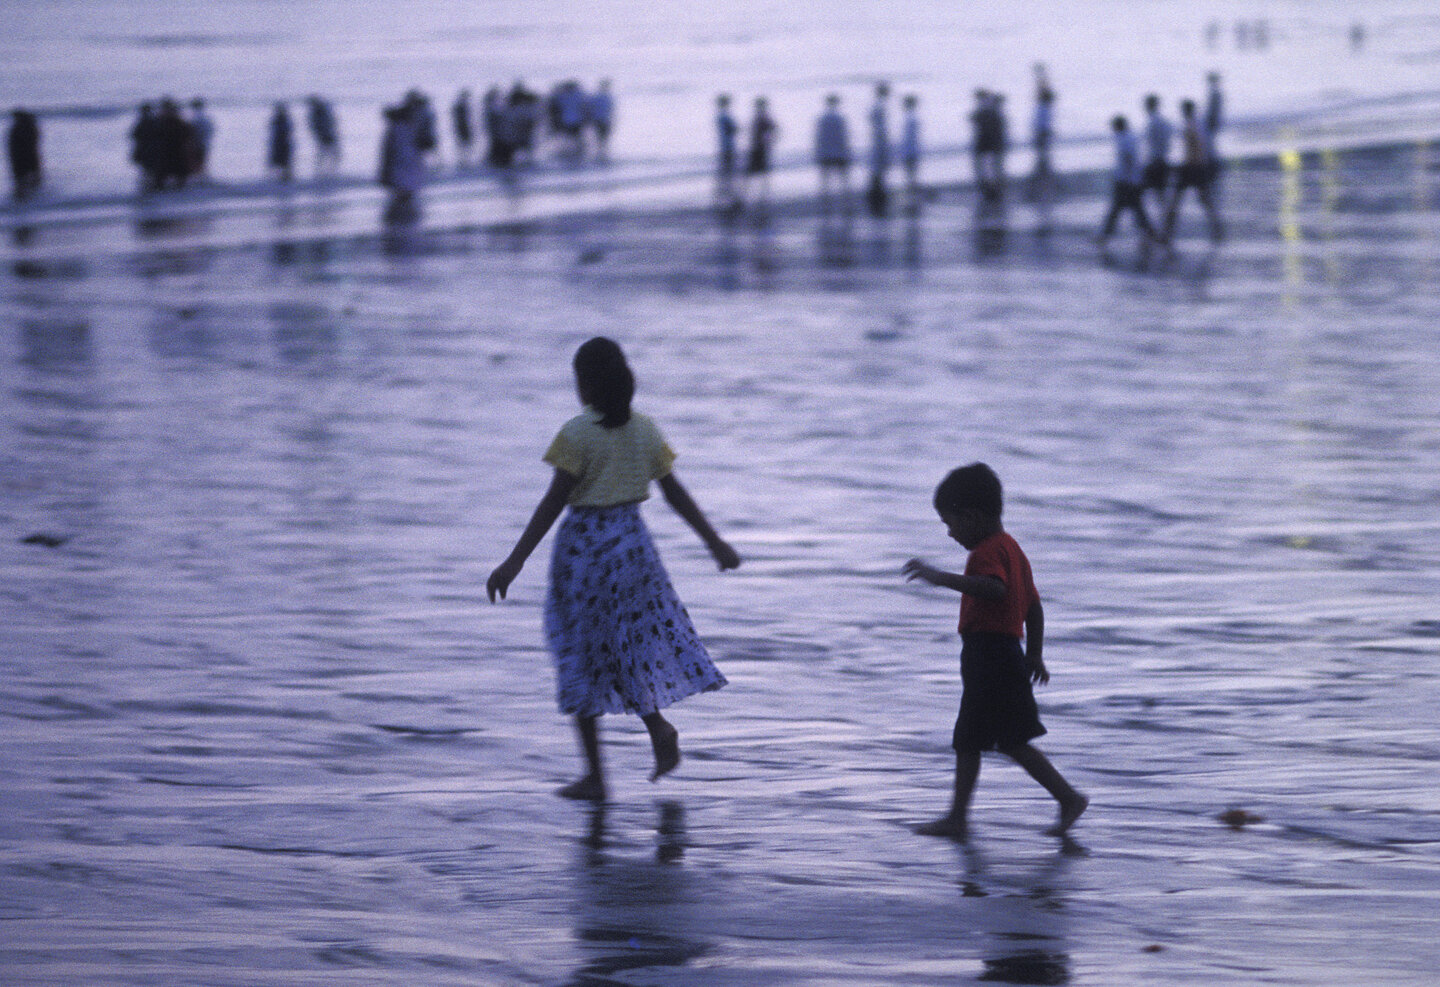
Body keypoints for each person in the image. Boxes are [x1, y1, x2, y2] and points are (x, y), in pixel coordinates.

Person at [487, 337, 740, 801]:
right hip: (634, 551)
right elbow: (675, 494)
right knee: (624, 649)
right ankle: (657, 727)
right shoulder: (644, 430)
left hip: (586, 553)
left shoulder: (577, 434)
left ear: (584, 384)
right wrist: (714, 541)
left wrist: (513, 561)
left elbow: (552, 503)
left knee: (579, 653)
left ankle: (596, 776)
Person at [902, 463, 1088, 839]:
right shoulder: (1014, 550)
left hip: (991, 656)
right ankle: (959, 816)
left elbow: (994, 590)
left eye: (949, 523)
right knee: (972, 738)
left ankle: (1067, 798)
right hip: (1003, 654)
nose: (950, 533)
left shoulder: (987, 552)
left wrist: (938, 577)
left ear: (970, 516)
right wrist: (1034, 654)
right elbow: (1033, 607)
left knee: (1007, 741)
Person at [1163, 99, 1223, 243]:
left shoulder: (1191, 126)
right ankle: (1217, 230)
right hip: (1197, 168)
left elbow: (1193, 150)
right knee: (1204, 201)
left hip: (1191, 168)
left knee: (1176, 202)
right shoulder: (1198, 125)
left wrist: (1182, 166)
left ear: (1185, 111)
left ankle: (1167, 234)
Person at [1098, 115, 1162, 248]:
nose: (1113, 130)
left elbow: (1128, 158)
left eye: (1114, 127)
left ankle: (1104, 236)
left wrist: (1127, 178)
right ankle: (1151, 234)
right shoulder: (1131, 137)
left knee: (1119, 210)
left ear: (1118, 126)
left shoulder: (1123, 139)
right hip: (1133, 180)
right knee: (1135, 209)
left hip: (1126, 181)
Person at [814, 93, 852, 207]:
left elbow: (819, 138)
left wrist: (818, 152)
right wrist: (847, 152)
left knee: (826, 180)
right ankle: (846, 203)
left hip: (826, 153)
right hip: (839, 152)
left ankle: (826, 203)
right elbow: (844, 137)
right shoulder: (840, 118)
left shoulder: (823, 119)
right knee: (843, 179)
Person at [742, 96, 777, 207]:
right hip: (760, 148)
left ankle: (755, 196)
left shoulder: (760, 118)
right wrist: (769, 141)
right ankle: (762, 197)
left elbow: (773, 128)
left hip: (757, 148)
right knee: (761, 173)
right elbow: (774, 128)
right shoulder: (762, 117)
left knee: (752, 173)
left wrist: (768, 141)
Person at [1140, 94, 1173, 210]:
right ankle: (1166, 220)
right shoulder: (1164, 122)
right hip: (1163, 160)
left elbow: (1150, 145)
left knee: (1141, 192)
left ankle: (1165, 220)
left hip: (1155, 162)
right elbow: (1167, 141)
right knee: (1161, 194)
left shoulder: (1152, 123)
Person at [1027, 65, 1054, 201]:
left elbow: (1042, 90)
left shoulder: (1043, 107)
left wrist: (1041, 76)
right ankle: (1043, 175)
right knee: (1043, 156)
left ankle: (1042, 177)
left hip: (1042, 133)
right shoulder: (1046, 107)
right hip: (1043, 133)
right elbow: (1042, 91)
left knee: (1042, 156)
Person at [866, 82, 891, 217]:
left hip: (877, 143)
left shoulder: (877, 105)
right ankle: (877, 200)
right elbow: (880, 128)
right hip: (879, 143)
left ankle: (876, 199)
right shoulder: (880, 106)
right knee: (878, 172)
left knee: (877, 172)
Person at [8, 108, 42, 200]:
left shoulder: (19, 128)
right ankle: (31, 200)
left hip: (21, 159)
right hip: (28, 158)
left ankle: (24, 201)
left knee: (23, 182)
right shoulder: (29, 127)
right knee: (30, 181)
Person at [306, 95, 341, 174]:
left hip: (325, 135)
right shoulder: (319, 112)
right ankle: (325, 169)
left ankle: (327, 169)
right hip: (325, 135)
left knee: (327, 153)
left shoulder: (318, 112)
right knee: (327, 153)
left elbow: (316, 125)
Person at [899, 94, 922, 211]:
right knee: (912, 175)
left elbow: (907, 138)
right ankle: (913, 198)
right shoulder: (913, 117)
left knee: (910, 175)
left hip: (909, 151)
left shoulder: (909, 118)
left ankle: (912, 199)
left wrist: (903, 151)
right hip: (913, 150)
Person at [267, 102, 294, 182]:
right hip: (279, 143)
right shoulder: (279, 120)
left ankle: (285, 176)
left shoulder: (282, 120)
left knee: (284, 161)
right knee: (280, 161)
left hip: (282, 143)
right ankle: (278, 177)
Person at [588, 79, 614, 162]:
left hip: (597, 120)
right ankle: (602, 154)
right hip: (605, 120)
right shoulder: (608, 97)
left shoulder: (595, 97)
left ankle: (599, 153)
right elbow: (610, 110)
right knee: (604, 139)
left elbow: (591, 108)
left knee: (599, 138)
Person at [188, 98, 215, 180]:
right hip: (204, 142)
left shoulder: (195, 118)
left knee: (197, 161)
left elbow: (192, 131)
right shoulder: (206, 118)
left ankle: (200, 177)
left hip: (197, 143)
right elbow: (211, 130)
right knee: (202, 161)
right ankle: (203, 176)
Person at [451, 89, 474, 167]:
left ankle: (465, 160)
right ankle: (464, 160)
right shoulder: (461, 106)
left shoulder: (461, 105)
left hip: (462, 127)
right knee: (464, 144)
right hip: (463, 127)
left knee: (464, 144)